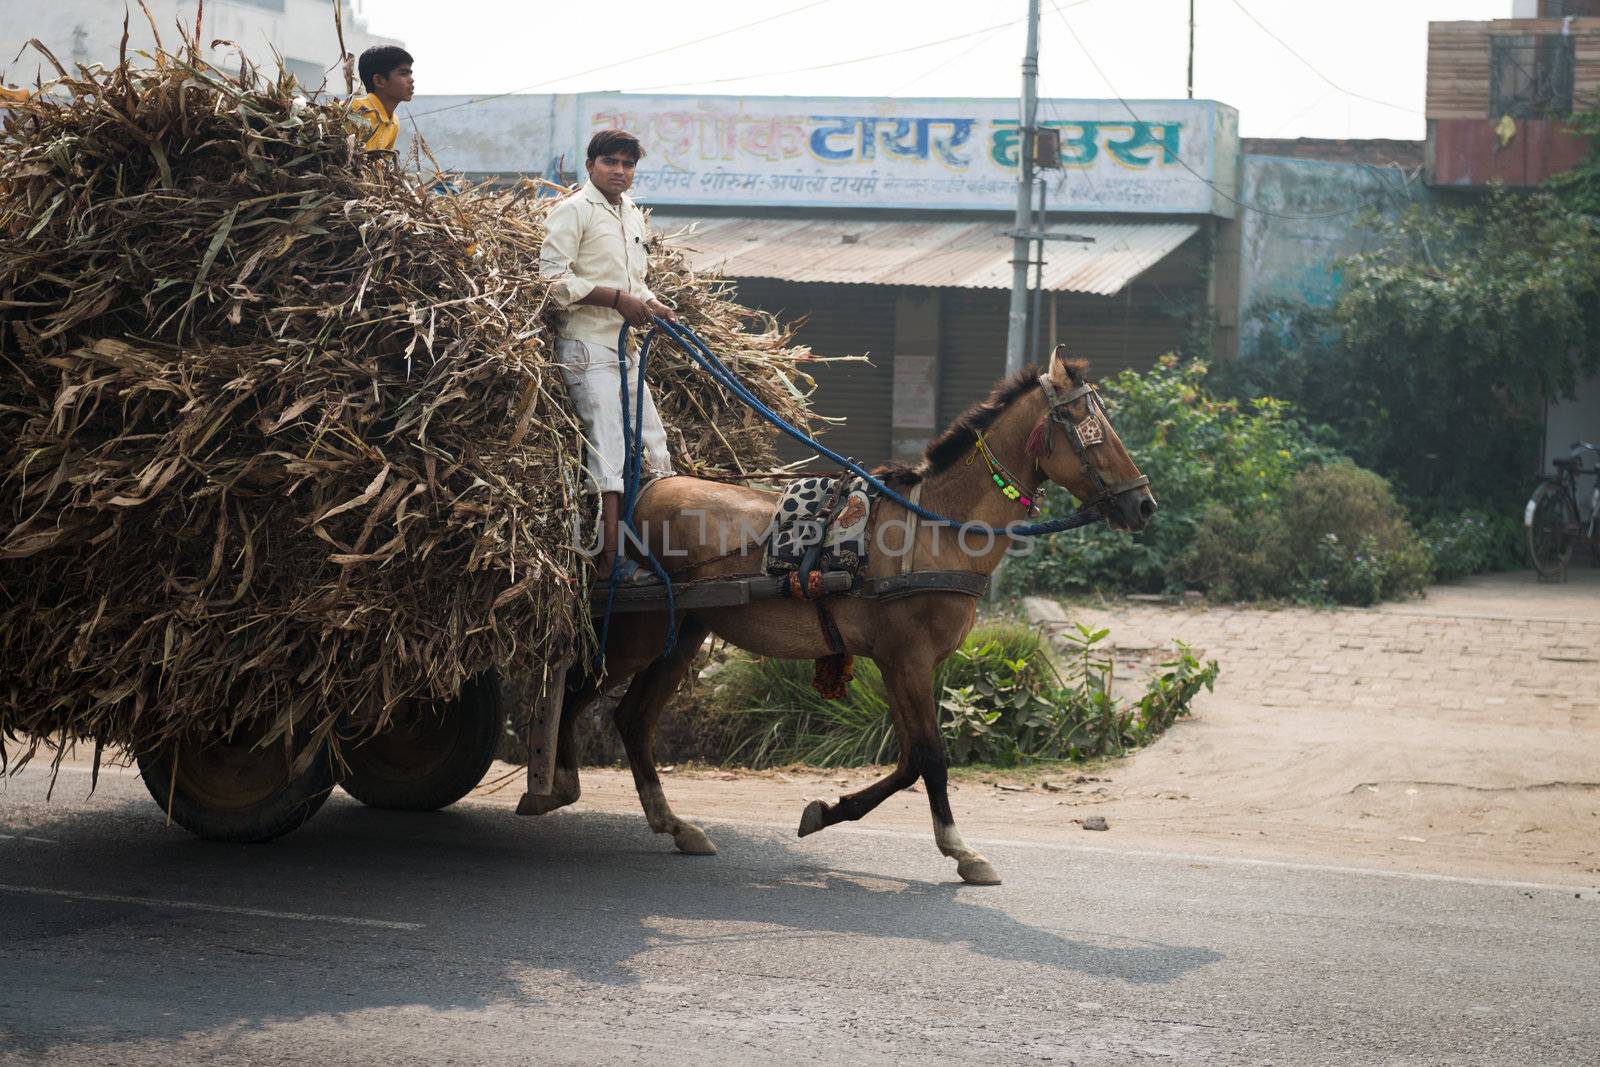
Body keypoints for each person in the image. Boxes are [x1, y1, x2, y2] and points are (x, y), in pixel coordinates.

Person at [539, 129, 680, 583]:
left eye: (628, 164)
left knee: (656, 447)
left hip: (627, 347)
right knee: (608, 449)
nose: (620, 171)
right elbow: (552, 281)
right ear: (591, 165)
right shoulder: (572, 211)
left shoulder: (632, 215)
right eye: (611, 162)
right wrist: (616, 300)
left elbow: (635, 283)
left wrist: (652, 304)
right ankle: (608, 561)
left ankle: (655, 548)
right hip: (586, 344)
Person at [351, 46, 413, 152]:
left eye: (410, 74)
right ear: (379, 80)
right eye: (403, 73)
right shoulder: (357, 111)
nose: (411, 80)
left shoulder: (394, 122)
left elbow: (384, 163)